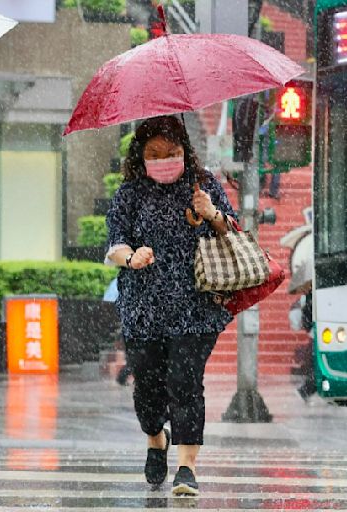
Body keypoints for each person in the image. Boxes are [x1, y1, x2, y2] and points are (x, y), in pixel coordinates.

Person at [105, 115, 237, 497]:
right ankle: (155, 439)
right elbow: (115, 243)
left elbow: (232, 228)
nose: (164, 159)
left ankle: (186, 466)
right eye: (155, 153)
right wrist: (132, 257)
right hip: (143, 307)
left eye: (172, 152)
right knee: (147, 385)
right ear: (141, 156)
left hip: (195, 306)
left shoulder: (203, 184)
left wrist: (210, 212)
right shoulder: (129, 193)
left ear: (185, 151)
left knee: (184, 382)